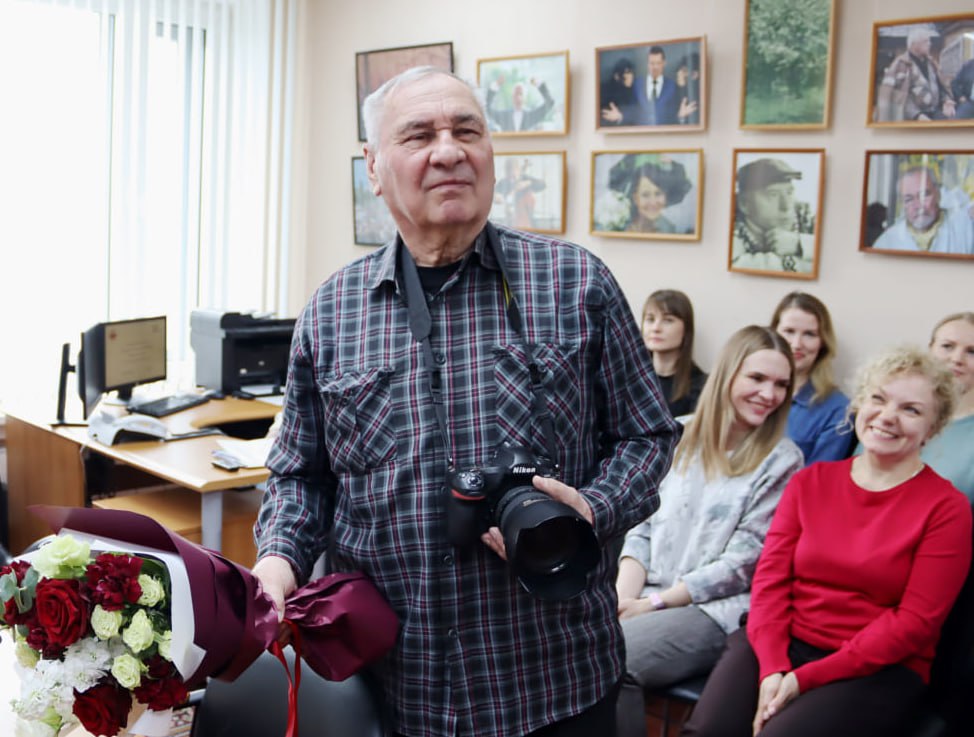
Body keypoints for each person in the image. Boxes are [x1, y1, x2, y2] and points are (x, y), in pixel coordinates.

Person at [252, 66, 681, 737]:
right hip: (395, 689)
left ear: (489, 153)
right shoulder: (331, 312)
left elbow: (648, 436)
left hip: (555, 684)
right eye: (419, 134)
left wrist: (593, 506)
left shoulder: (576, 283)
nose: (448, 150)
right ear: (374, 166)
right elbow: (300, 474)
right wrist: (277, 561)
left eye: (466, 130)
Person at [682, 345, 972, 737]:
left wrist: (803, 680)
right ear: (860, 405)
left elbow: (914, 624)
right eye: (878, 399)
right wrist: (773, 667)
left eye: (911, 409)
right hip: (779, 642)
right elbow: (769, 582)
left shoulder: (947, 509)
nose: (887, 417)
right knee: (708, 731)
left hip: (878, 666)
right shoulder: (810, 482)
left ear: (933, 427)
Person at [615, 326, 803, 737]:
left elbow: (742, 564)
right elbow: (641, 526)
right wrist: (623, 597)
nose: (769, 394)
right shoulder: (676, 433)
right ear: (728, 375)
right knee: (564, 648)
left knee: (614, 660)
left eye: (780, 384)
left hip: (714, 610)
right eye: (757, 378)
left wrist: (654, 605)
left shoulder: (783, 460)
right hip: (646, 594)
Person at [770, 292, 853, 465]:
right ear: (773, 334)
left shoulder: (838, 410)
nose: (796, 344)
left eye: (809, 334)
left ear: (822, 342)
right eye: (789, 331)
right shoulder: (749, 390)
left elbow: (817, 480)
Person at [731, 158, 815, 274]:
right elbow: (736, 266)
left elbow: (836, 254)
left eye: (789, 193)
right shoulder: (730, 228)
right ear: (744, 204)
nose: (786, 206)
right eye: (773, 195)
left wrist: (798, 244)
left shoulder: (806, 216)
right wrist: (807, 254)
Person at [925, 312, 974, 501]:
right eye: (947, 346)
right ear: (930, 350)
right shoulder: (888, 414)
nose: (957, 359)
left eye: (972, 351)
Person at [872, 165, 974, 254]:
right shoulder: (887, 242)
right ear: (902, 204)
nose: (917, 205)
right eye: (909, 199)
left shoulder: (965, 228)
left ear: (938, 193)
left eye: (924, 195)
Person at [641, 290, 707, 416]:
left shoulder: (701, 386)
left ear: (686, 329)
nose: (656, 328)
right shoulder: (628, 377)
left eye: (668, 320)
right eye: (650, 319)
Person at [875, 26, 956, 122]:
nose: (930, 44)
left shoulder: (931, 62)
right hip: (912, 117)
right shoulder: (901, 64)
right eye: (926, 41)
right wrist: (917, 115)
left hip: (935, 112)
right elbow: (899, 96)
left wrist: (946, 101)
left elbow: (941, 87)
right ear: (914, 44)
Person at [602, 46, 697, 126]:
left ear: (664, 63)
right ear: (647, 64)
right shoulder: (636, 84)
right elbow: (632, 110)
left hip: (665, 139)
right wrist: (620, 116)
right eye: (652, 63)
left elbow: (675, 114)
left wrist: (680, 117)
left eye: (658, 63)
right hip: (639, 139)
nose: (655, 67)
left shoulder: (673, 86)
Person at [625, 161, 693, 234]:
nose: (653, 202)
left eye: (658, 194)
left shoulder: (670, 229)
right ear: (635, 198)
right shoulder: (624, 228)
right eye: (645, 195)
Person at [485, 75, 555, 132]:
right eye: (516, 94)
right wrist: (495, 86)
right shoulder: (504, 116)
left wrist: (538, 83)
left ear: (525, 97)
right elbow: (487, 109)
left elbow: (550, 102)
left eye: (521, 94)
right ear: (512, 97)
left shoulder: (532, 115)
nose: (518, 97)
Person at [493, 156, 546, 229]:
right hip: (509, 220)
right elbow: (494, 194)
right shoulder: (503, 182)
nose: (511, 175)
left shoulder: (525, 178)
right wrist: (496, 196)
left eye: (513, 171)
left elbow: (542, 184)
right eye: (509, 172)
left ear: (518, 170)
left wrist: (529, 183)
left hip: (527, 220)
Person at [600, 57, 639, 127]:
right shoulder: (606, 92)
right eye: (627, 73)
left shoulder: (635, 91)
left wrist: (620, 116)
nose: (631, 76)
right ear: (617, 76)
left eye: (631, 73)